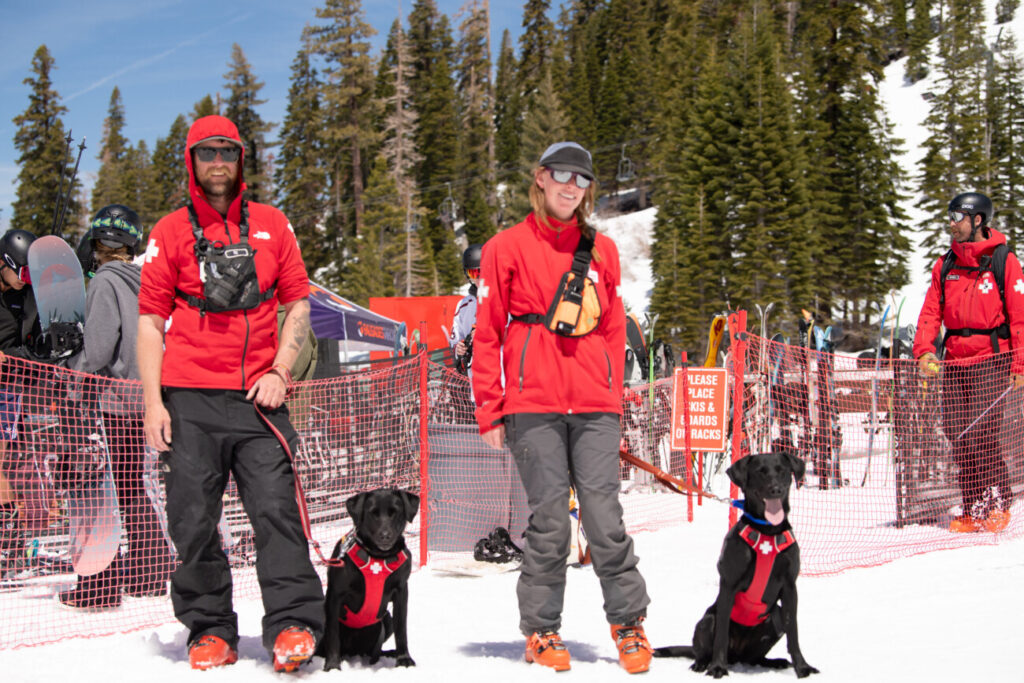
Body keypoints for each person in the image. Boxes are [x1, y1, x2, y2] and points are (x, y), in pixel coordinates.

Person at [137, 115, 323, 672]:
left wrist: (282, 371)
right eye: (207, 152)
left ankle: (293, 622)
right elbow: (150, 323)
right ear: (192, 161)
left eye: (228, 152)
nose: (218, 162)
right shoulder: (168, 232)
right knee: (191, 520)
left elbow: (299, 303)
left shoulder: (273, 224)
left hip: (258, 397)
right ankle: (210, 628)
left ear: (241, 159)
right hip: (190, 397)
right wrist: (152, 402)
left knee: (275, 512)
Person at [471, 142, 653, 674]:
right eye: (561, 175)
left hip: (595, 403)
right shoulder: (504, 248)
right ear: (541, 179)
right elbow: (487, 334)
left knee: (604, 517)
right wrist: (490, 408)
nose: (570, 186)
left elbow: (616, 328)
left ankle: (629, 624)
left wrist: (615, 398)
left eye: (581, 179)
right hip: (533, 405)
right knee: (549, 522)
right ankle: (542, 632)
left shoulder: (604, 251)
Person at [58, 204, 175, 608]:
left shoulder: (106, 281)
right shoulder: (141, 279)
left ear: (98, 244)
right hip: (145, 395)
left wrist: (70, 370)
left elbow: (100, 346)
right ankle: (151, 570)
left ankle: (121, 576)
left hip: (114, 400)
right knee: (135, 485)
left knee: (112, 489)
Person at [914, 191, 1024, 534]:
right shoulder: (945, 263)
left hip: (992, 357)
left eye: (957, 216)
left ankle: (997, 502)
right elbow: (931, 311)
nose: (952, 224)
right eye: (950, 216)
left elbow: (1020, 317)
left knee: (983, 433)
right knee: (958, 433)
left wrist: (1020, 366)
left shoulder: (1004, 260)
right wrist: (924, 351)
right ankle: (973, 506)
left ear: (977, 220)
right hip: (955, 360)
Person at [0, 229, 44, 578]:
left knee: (18, 471)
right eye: (21, 272)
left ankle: (12, 549)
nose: (25, 279)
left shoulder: (28, 296)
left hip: (15, 390)